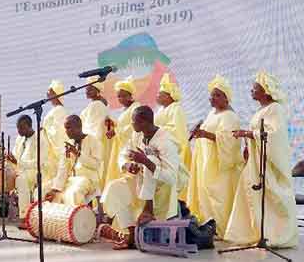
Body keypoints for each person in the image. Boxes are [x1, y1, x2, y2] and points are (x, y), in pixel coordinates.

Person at [224, 71, 298, 248]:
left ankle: (276, 235)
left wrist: (248, 133)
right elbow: (260, 133)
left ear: (266, 91)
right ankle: (257, 233)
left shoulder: (275, 108)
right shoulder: (262, 110)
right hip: (256, 161)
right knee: (253, 195)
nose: (251, 91)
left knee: (271, 196)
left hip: (269, 163)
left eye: (255, 88)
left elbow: (274, 135)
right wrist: (248, 143)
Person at [101, 106, 180, 250]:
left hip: (162, 189)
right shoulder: (137, 135)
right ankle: (131, 235)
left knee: (151, 158)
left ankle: (148, 208)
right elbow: (123, 154)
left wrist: (145, 162)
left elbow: (172, 178)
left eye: (134, 121)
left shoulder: (166, 141)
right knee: (115, 188)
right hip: (140, 182)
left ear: (144, 122)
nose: (131, 124)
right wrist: (129, 165)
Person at [186, 75, 243, 236]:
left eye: (218, 95)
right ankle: (209, 227)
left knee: (220, 198)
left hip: (220, 167)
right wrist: (199, 133)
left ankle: (222, 229)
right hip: (207, 163)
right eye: (212, 94)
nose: (213, 98)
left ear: (226, 98)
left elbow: (229, 140)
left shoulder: (230, 116)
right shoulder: (212, 113)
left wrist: (206, 134)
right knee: (206, 196)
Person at [45, 115, 102, 206]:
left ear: (79, 127)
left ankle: (78, 218)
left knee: (73, 193)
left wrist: (77, 154)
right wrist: (55, 189)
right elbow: (63, 169)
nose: (66, 131)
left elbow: (96, 165)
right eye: (65, 128)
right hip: (71, 180)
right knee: (44, 189)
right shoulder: (69, 144)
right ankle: (55, 218)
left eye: (68, 128)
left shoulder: (93, 140)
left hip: (88, 179)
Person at [154, 73, 191, 201]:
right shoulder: (160, 110)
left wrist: (159, 130)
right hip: (160, 150)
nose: (157, 96)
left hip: (174, 151)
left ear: (169, 96)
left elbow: (178, 131)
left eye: (160, 94)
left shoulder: (176, 109)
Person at [7, 114, 48, 226]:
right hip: (20, 170)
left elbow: (39, 162)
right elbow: (15, 157)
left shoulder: (39, 139)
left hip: (35, 172)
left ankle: (24, 217)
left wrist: (19, 163)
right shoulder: (20, 139)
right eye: (18, 128)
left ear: (29, 126)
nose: (19, 131)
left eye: (21, 127)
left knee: (21, 180)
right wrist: (9, 158)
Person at [104, 76, 140, 188]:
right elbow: (122, 126)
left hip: (130, 146)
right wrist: (113, 125)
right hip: (120, 146)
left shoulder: (136, 107)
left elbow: (133, 127)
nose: (120, 99)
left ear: (130, 96)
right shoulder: (125, 109)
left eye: (123, 96)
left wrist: (116, 131)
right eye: (118, 96)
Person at [80, 77, 111, 189]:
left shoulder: (96, 105)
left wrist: (83, 143)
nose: (86, 91)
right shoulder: (95, 104)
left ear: (98, 91)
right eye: (86, 89)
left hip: (92, 145)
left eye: (90, 89)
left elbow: (94, 128)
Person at [42, 80, 69, 180]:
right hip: (50, 146)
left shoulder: (60, 110)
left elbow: (58, 132)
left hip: (56, 148)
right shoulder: (55, 110)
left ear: (56, 93)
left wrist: (45, 130)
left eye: (50, 91)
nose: (47, 94)